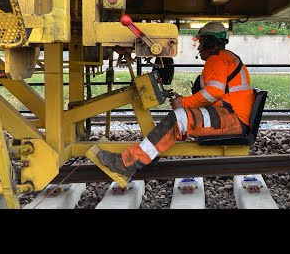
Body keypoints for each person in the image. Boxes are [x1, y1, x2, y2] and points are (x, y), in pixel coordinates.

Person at [97, 21, 255, 180]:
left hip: (231, 121)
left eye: (201, 42)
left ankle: (126, 164)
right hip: (230, 116)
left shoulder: (217, 60)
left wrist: (185, 103)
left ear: (209, 42)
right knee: (180, 116)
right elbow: (219, 95)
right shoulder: (226, 58)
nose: (199, 47)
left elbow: (214, 93)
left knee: (178, 119)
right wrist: (185, 101)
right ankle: (149, 151)